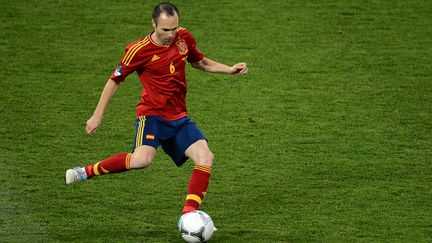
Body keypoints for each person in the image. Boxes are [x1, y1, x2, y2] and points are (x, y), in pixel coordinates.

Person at [65, 2, 248, 215]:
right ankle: (86, 172)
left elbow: (200, 62)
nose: (171, 34)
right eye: (165, 30)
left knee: (206, 157)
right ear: (153, 23)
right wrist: (97, 115)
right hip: (152, 115)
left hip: (179, 117)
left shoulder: (183, 37)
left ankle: (188, 215)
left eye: (174, 28)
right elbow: (114, 80)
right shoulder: (138, 50)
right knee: (141, 160)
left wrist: (230, 69)